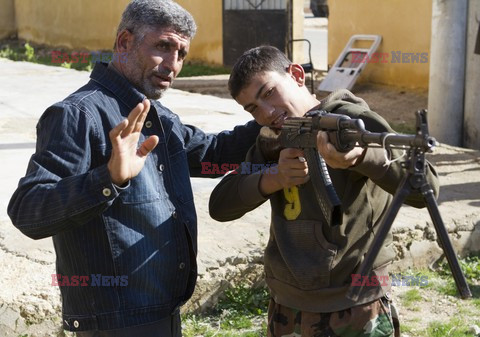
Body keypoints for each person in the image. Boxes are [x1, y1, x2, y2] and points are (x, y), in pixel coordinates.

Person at [7, 1, 260, 336]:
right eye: (163, 47)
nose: (172, 64)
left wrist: (279, 116)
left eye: (181, 54)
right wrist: (108, 178)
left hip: (162, 314)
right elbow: (28, 210)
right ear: (124, 42)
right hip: (116, 324)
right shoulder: (77, 115)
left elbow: (215, 154)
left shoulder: (157, 117)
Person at [209, 45, 440, 337]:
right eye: (253, 108)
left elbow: (427, 187)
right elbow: (220, 205)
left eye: (268, 93)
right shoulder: (271, 139)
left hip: (356, 305)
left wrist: (362, 158)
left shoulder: (353, 120)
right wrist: (273, 178)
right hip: (286, 306)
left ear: (296, 75)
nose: (267, 113)